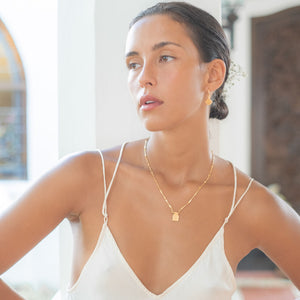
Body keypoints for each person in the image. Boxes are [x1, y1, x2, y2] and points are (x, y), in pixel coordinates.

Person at [1, 2, 300, 299]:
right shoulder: (87, 176)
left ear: (212, 75)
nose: (143, 77)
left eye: (165, 57)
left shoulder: (248, 205)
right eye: (134, 63)